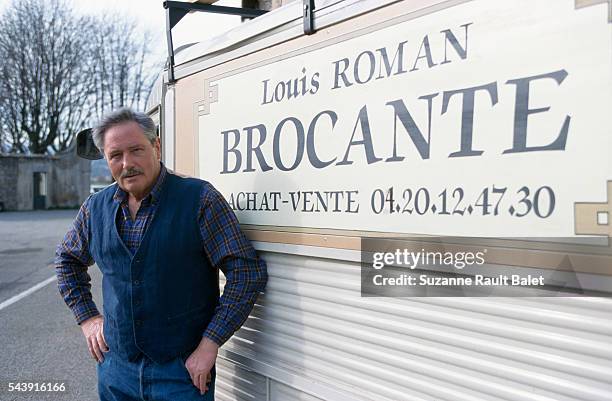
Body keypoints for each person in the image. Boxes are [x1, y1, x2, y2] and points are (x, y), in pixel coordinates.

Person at [54, 108, 268, 401]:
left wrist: (210, 344)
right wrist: (87, 318)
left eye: (136, 150)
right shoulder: (95, 208)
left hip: (182, 373)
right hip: (116, 371)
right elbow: (67, 260)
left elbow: (246, 272)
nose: (127, 163)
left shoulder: (200, 199)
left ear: (156, 146)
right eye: (115, 155)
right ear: (106, 158)